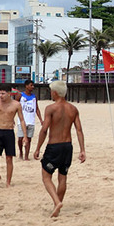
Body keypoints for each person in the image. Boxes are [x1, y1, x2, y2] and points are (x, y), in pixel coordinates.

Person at [32, 80, 85, 217]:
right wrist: (82, 150)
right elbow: (79, 130)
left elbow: (44, 130)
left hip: (54, 146)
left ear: (55, 92)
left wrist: (38, 148)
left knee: (46, 177)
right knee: (63, 177)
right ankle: (58, 206)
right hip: (68, 147)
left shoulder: (51, 108)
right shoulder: (73, 109)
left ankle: (57, 202)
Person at [0, 85, 27, 187]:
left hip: (9, 132)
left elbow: (22, 120)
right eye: (0, 93)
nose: (1, 96)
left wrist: (25, 136)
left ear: (9, 93)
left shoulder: (16, 104)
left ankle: (8, 182)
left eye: (3, 93)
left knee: (9, 158)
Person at [12, 79, 43, 160]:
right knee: (20, 138)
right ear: (26, 86)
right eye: (31, 85)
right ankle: (21, 152)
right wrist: (12, 118)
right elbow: (14, 107)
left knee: (29, 139)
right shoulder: (20, 95)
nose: (32, 87)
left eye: (33, 85)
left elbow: (37, 109)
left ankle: (26, 155)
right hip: (21, 120)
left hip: (31, 121)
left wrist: (40, 119)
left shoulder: (34, 97)